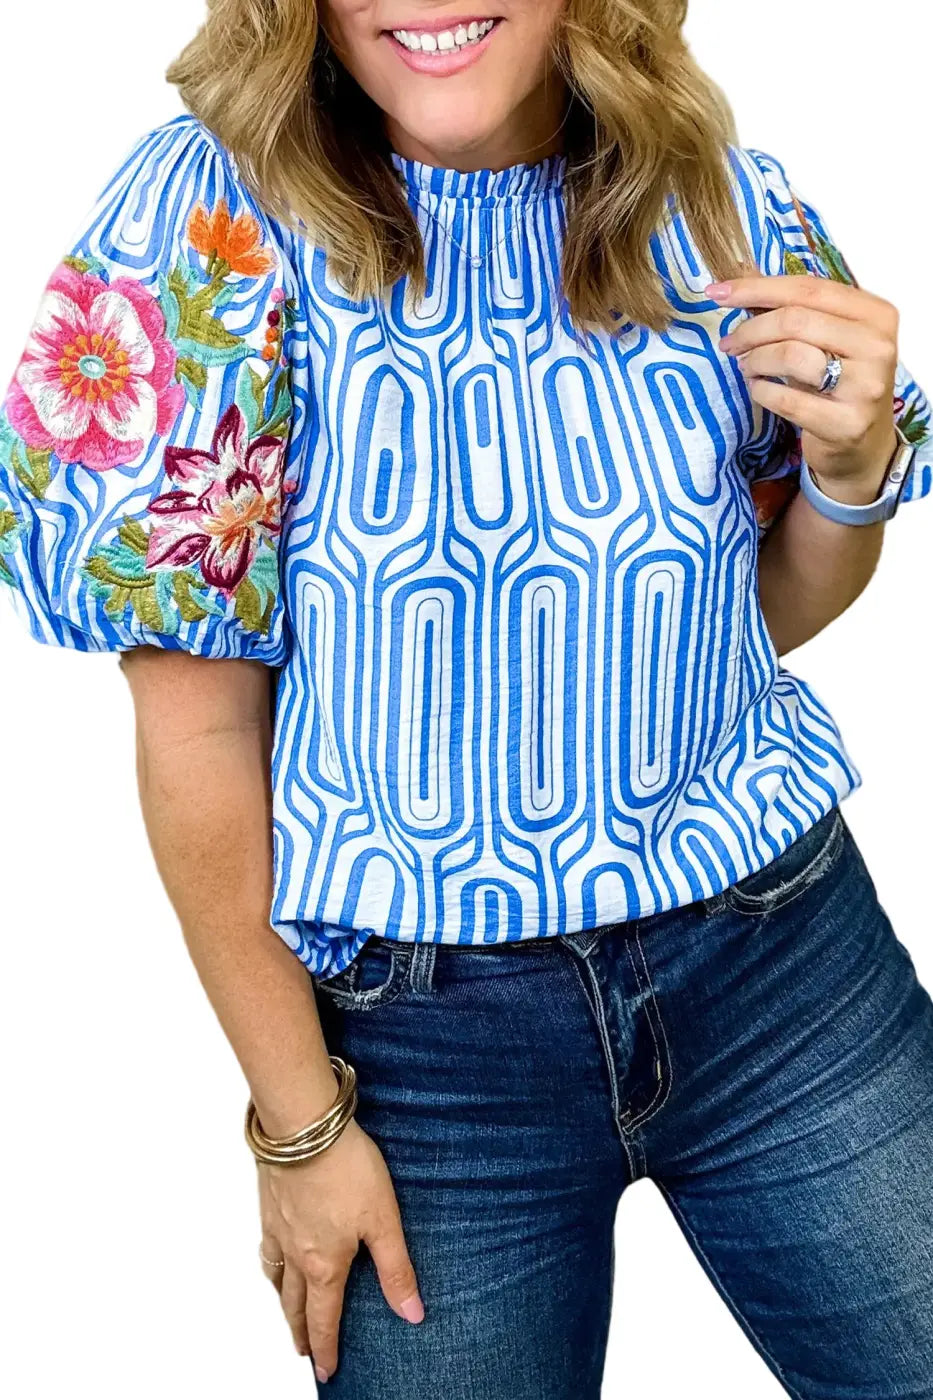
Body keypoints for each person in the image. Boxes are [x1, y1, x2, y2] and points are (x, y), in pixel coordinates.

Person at [2, 1, 932, 1396]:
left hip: (782, 969)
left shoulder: (705, 187)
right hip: (423, 1059)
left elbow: (751, 616)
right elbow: (196, 730)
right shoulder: (206, 220)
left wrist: (851, 472)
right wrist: (300, 1130)